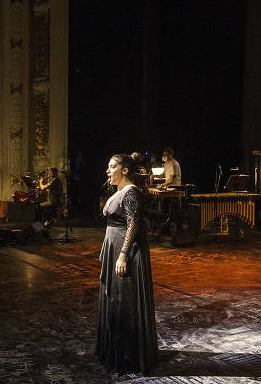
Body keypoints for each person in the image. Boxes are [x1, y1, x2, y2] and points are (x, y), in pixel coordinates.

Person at [96, 154, 158, 374]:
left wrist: (123, 255)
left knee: (124, 304)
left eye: (112, 166)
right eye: (108, 166)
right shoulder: (120, 191)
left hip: (126, 252)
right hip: (115, 248)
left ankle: (128, 357)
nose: (107, 170)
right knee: (114, 300)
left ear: (124, 170)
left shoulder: (132, 192)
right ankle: (114, 352)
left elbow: (134, 225)